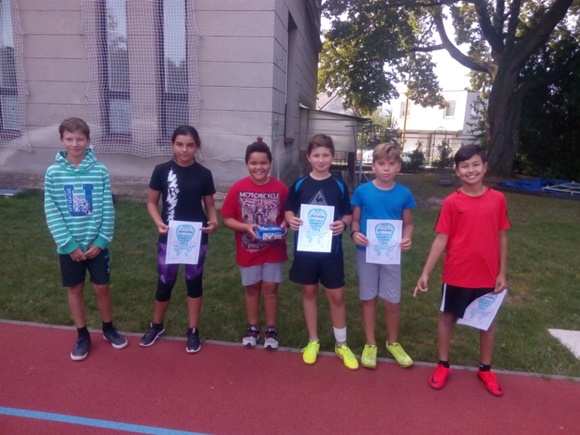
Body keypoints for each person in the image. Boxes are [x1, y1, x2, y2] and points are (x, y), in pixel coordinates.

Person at [414, 144, 510, 397]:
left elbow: (502, 237)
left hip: (487, 274)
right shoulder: (451, 202)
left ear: (485, 167)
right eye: (464, 166)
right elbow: (441, 239)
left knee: (486, 322)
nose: (471, 170)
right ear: (457, 171)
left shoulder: (498, 199)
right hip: (457, 273)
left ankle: (485, 369)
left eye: (476, 164)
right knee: (448, 318)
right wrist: (426, 272)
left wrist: (502, 272)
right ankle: (443, 365)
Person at [44, 117, 127, 361]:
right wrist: (69, 245)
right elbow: (51, 210)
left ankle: (108, 328)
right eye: (69, 139)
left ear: (88, 141)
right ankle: (82, 335)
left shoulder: (100, 171)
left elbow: (107, 208)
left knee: (101, 287)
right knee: (75, 288)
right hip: (69, 247)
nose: (75, 144)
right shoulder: (53, 173)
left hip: (95, 245)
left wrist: (101, 241)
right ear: (62, 140)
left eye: (80, 139)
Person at [139, 125, 218, 353]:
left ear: (197, 146)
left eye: (190, 145)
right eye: (180, 144)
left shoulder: (204, 174)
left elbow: (210, 206)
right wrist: (158, 222)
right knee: (165, 281)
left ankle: (193, 330)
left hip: (196, 236)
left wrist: (213, 222)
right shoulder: (162, 170)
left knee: (194, 282)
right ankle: (156, 325)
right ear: (172, 144)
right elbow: (151, 202)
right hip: (169, 235)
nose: (185, 150)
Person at [285, 134, 359, 370]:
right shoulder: (299, 184)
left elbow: (347, 213)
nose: (320, 159)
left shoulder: (338, 185)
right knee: (309, 292)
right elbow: (289, 209)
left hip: (331, 251)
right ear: (308, 157)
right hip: (306, 250)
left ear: (332, 156)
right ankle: (313, 340)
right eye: (316, 155)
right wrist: (291, 219)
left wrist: (343, 223)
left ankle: (341, 344)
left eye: (325, 155)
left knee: (336, 296)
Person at [350, 142, 416, 369]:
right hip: (366, 253)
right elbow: (355, 220)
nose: (386, 168)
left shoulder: (404, 193)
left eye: (391, 163)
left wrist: (407, 238)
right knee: (368, 298)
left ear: (399, 167)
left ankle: (393, 342)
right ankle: (370, 343)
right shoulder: (362, 191)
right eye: (381, 163)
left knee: (392, 301)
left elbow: (408, 224)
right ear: (373, 166)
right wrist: (355, 233)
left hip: (391, 255)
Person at [221, 138, 289, 350]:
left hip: (273, 250)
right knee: (251, 289)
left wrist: (285, 225)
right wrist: (245, 227)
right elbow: (227, 218)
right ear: (246, 164)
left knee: (270, 289)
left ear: (270, 164)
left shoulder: (280, 188)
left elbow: (289, 215)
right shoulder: (238, 188)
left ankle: (271, 328)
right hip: (248, 250)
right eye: (253, 163)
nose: (258, 167)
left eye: (263, 163)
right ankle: (252, 327)